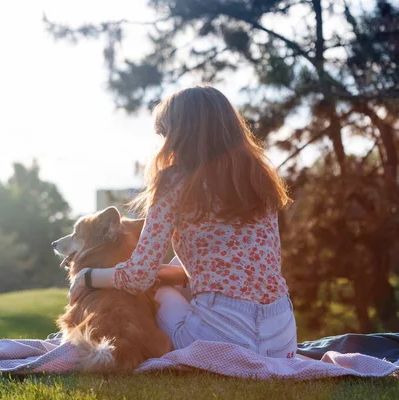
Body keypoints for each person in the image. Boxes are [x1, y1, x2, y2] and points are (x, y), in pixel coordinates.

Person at [69, 85, 297, 358]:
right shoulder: (258, 176)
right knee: (169, 282)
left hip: (220, 339)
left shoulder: (175, 181)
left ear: (178, 134)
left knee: (158, 294)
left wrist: (87, 277)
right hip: (282, 339)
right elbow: (233, 269)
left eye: (164, 133)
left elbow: (137, 277)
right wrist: (164, 273)